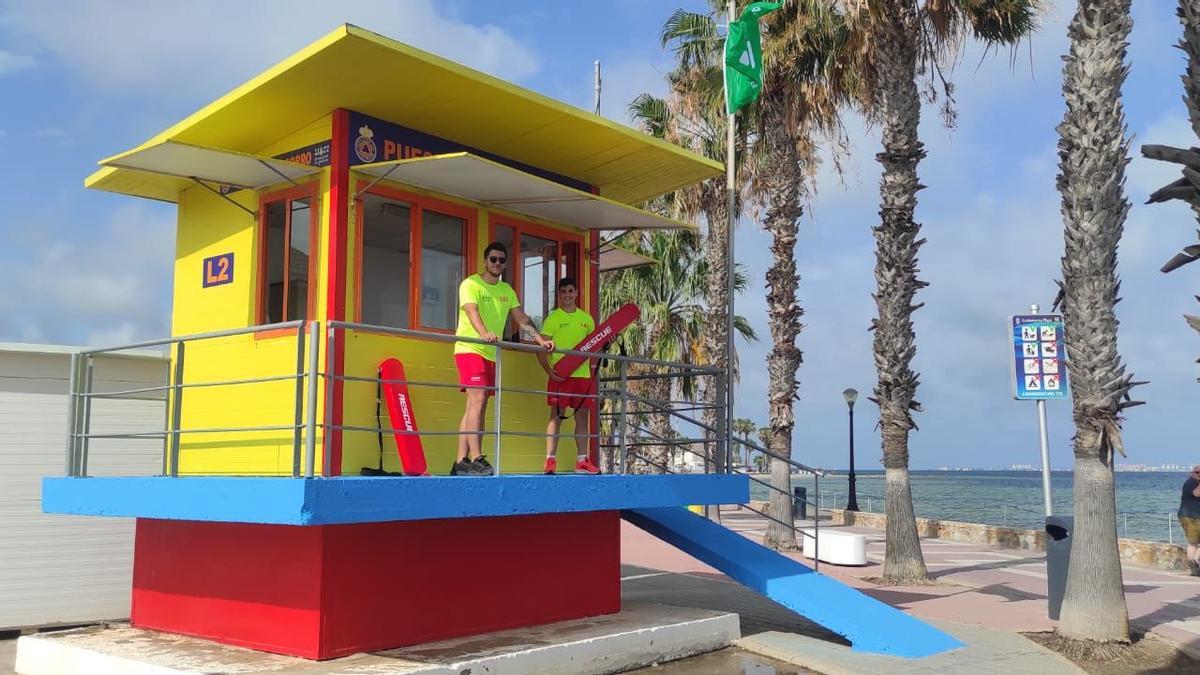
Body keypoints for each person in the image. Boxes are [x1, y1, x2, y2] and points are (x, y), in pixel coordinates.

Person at [453, 241, 553, 476]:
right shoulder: (471, 284)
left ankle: (460, 461)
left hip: (491, 353)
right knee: (477, 400)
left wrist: (540, 340)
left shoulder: (506, 290)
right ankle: (477, 458)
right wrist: (484, 333)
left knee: (476, 405)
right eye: (493, 259)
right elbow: (471, 311)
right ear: (485, 261)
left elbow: (521, 319)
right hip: (470, 348)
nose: (497, 263)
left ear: (505, 264)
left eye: (501, 260)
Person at [537, 277, 601, 475]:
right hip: (561, 376)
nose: (567, 295)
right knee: (556, 417)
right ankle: (550, 461)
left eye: (570, 291)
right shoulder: (553, 318)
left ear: (577, 293)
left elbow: (597, 346)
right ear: (560, 295)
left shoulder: (586, 319)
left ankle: (582, 461)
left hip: (583, 378)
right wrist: (549, 371)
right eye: (563, 292)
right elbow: (540, 349)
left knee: (582, 418)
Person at [1179, 465, 1200, 575]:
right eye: (1197, 472)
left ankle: (1194, 566)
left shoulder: (1191, 483)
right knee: (1193, 543)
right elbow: (1197, 494)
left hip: (1189, 516)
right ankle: (1195, 562)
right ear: (1192, 473)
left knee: (1193, 543)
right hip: (1192, 517)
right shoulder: (1191, 483)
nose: (1199, 474)